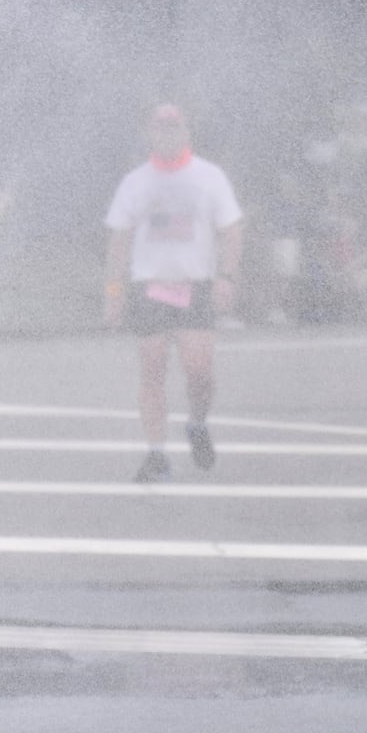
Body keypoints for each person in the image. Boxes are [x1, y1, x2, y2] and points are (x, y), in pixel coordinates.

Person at [102, 104, 243, 483]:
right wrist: (114, 290)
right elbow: (119, 238)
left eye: (174, 126)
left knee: (199, 371)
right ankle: (156, 454)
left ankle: (197, 424)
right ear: (149, 132)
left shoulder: (209, 177)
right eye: (160, 127)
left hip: (194, 285)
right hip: (149, 286)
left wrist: (226, 277)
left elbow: (231, 228)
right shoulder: (135, 182)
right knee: (152, 370)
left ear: (187, 131)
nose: (167, 133)